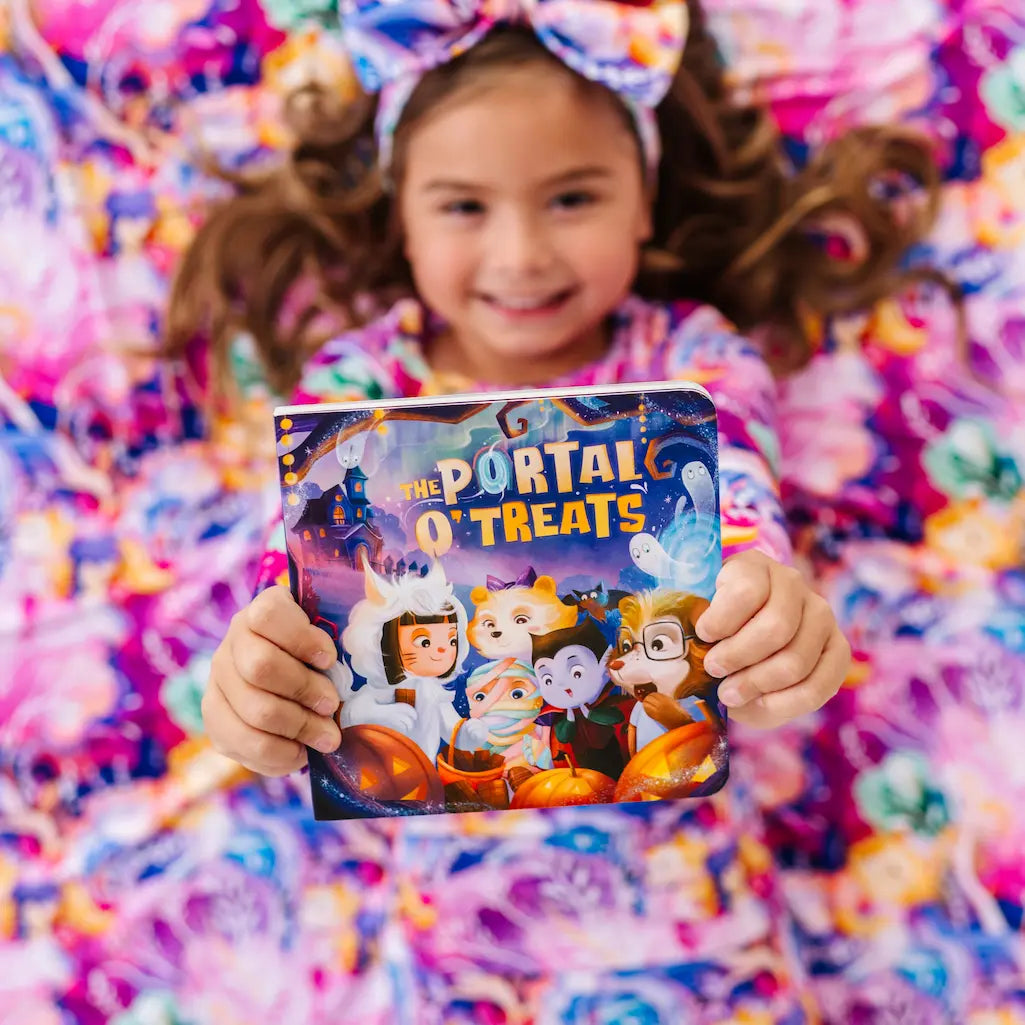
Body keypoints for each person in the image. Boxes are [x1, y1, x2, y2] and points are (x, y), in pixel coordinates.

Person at [166, 1, 936, 1019]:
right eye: (463, 207)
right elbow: (293, 596)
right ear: (400, 213)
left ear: (642, 202)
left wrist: (770, 621)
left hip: (686, 925)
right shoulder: (359, 388)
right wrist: (257, 689)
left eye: (571, 197)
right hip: (447, 945)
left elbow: (739, 512)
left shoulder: (690, 362)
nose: (521, 253)